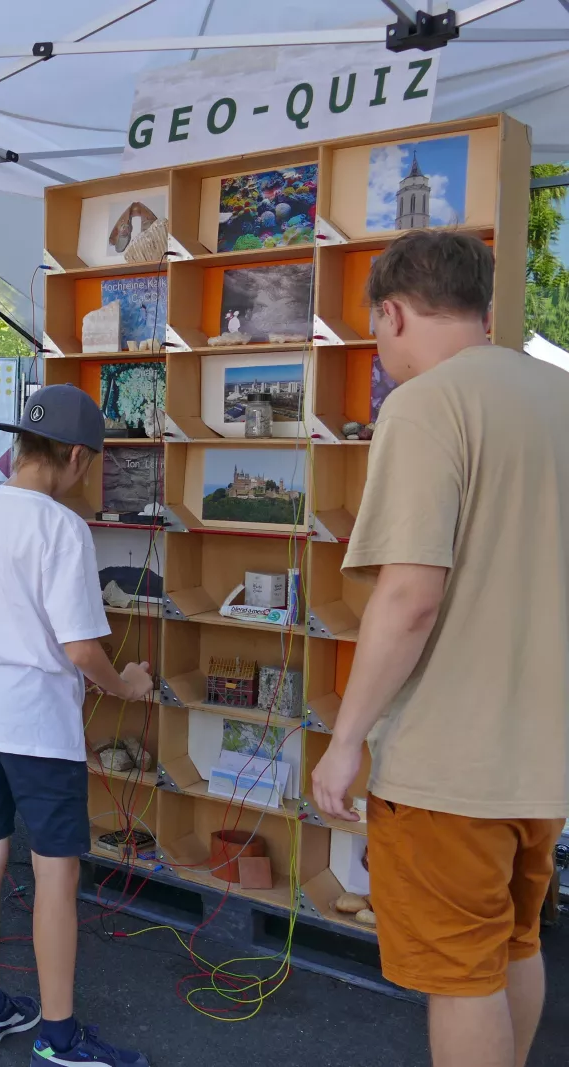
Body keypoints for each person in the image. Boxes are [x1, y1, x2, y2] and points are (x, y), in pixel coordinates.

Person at [312, 231, 569, 1067]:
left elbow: (411, 596)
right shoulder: (558, 396)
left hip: (449, 764)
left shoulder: (425, 405)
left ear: (390, 312)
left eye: (374, 331)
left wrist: (344, 741)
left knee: (462, 976)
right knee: (515, 946)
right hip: (543, 759)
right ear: (482, 305)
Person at [0, 384, 153, 1066]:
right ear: (73, 455)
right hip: (38, 727)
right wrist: (125, 684)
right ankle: (59, 1034)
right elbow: (80, 648)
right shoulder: (61, 526)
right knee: (56, 875)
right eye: (90, 464)